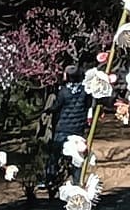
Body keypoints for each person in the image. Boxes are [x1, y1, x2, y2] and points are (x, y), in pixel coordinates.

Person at [34, 67, 92, 198]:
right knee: (77, 157)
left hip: (63, 128)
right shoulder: (85, 90)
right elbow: (88, 105)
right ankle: (78, 182)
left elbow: (57, 106)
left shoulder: (64, 92)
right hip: (78, 129)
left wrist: (48, 110)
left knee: (54, 155)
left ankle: (49, 179)